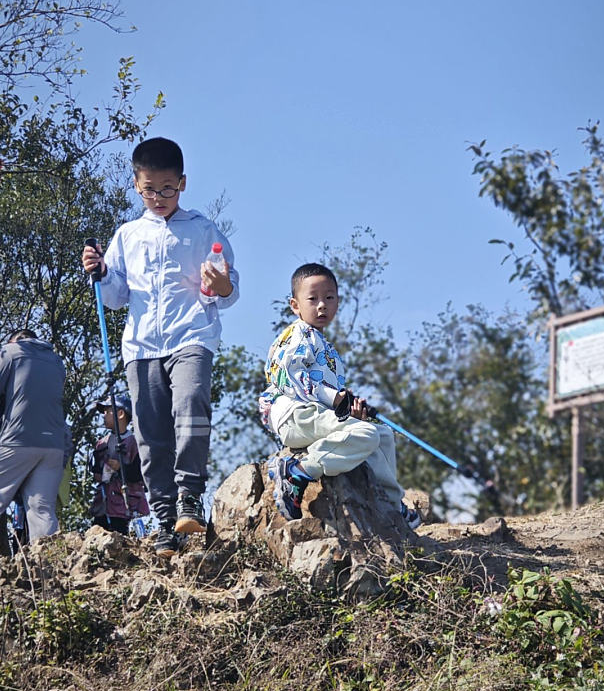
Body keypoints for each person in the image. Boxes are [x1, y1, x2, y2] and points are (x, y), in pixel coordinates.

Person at [81, 137, 239, 558]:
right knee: (149, 433)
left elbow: (227, 288)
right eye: (150, 189)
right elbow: (116, 297)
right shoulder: (127, 235)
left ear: (183, 183)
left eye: (168, 188)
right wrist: (99, 273)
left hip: (191, 336)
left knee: (190, 403)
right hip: (141, 346)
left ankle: (190, 494)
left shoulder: (202, 229)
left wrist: (221, 284)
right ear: (136, 185)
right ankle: (163, 518)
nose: (159, 197)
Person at [259, 263, 420, 528]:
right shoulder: (297, 335)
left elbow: (330, 397)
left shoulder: (325, 345)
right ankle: (297, 473)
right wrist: (334, 398)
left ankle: (391, 504)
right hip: (293, 413)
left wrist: (348, 410)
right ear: (295, 305)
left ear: (337, 302)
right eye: (312, 299)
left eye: (329, 298)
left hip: (314, 415)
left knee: (381, 435)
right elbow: (289, 376)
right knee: (366, 434)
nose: (321, 305)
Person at [0, 329, 66, 581]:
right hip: (54, 446)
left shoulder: (11, 352)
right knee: (42, 507)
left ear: (15, 340)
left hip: (17, 440)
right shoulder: (56, 361)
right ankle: (47, 567)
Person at [89, 393, 149, 536]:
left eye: (107, 411)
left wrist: (121, 468)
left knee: (121, 537)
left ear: (120, 413)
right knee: (97, 535)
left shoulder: (135, 443)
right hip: (103, 503)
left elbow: (142, 474)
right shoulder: (101, 443)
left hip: (125, 506)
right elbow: (96, 473)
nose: (103, 415)